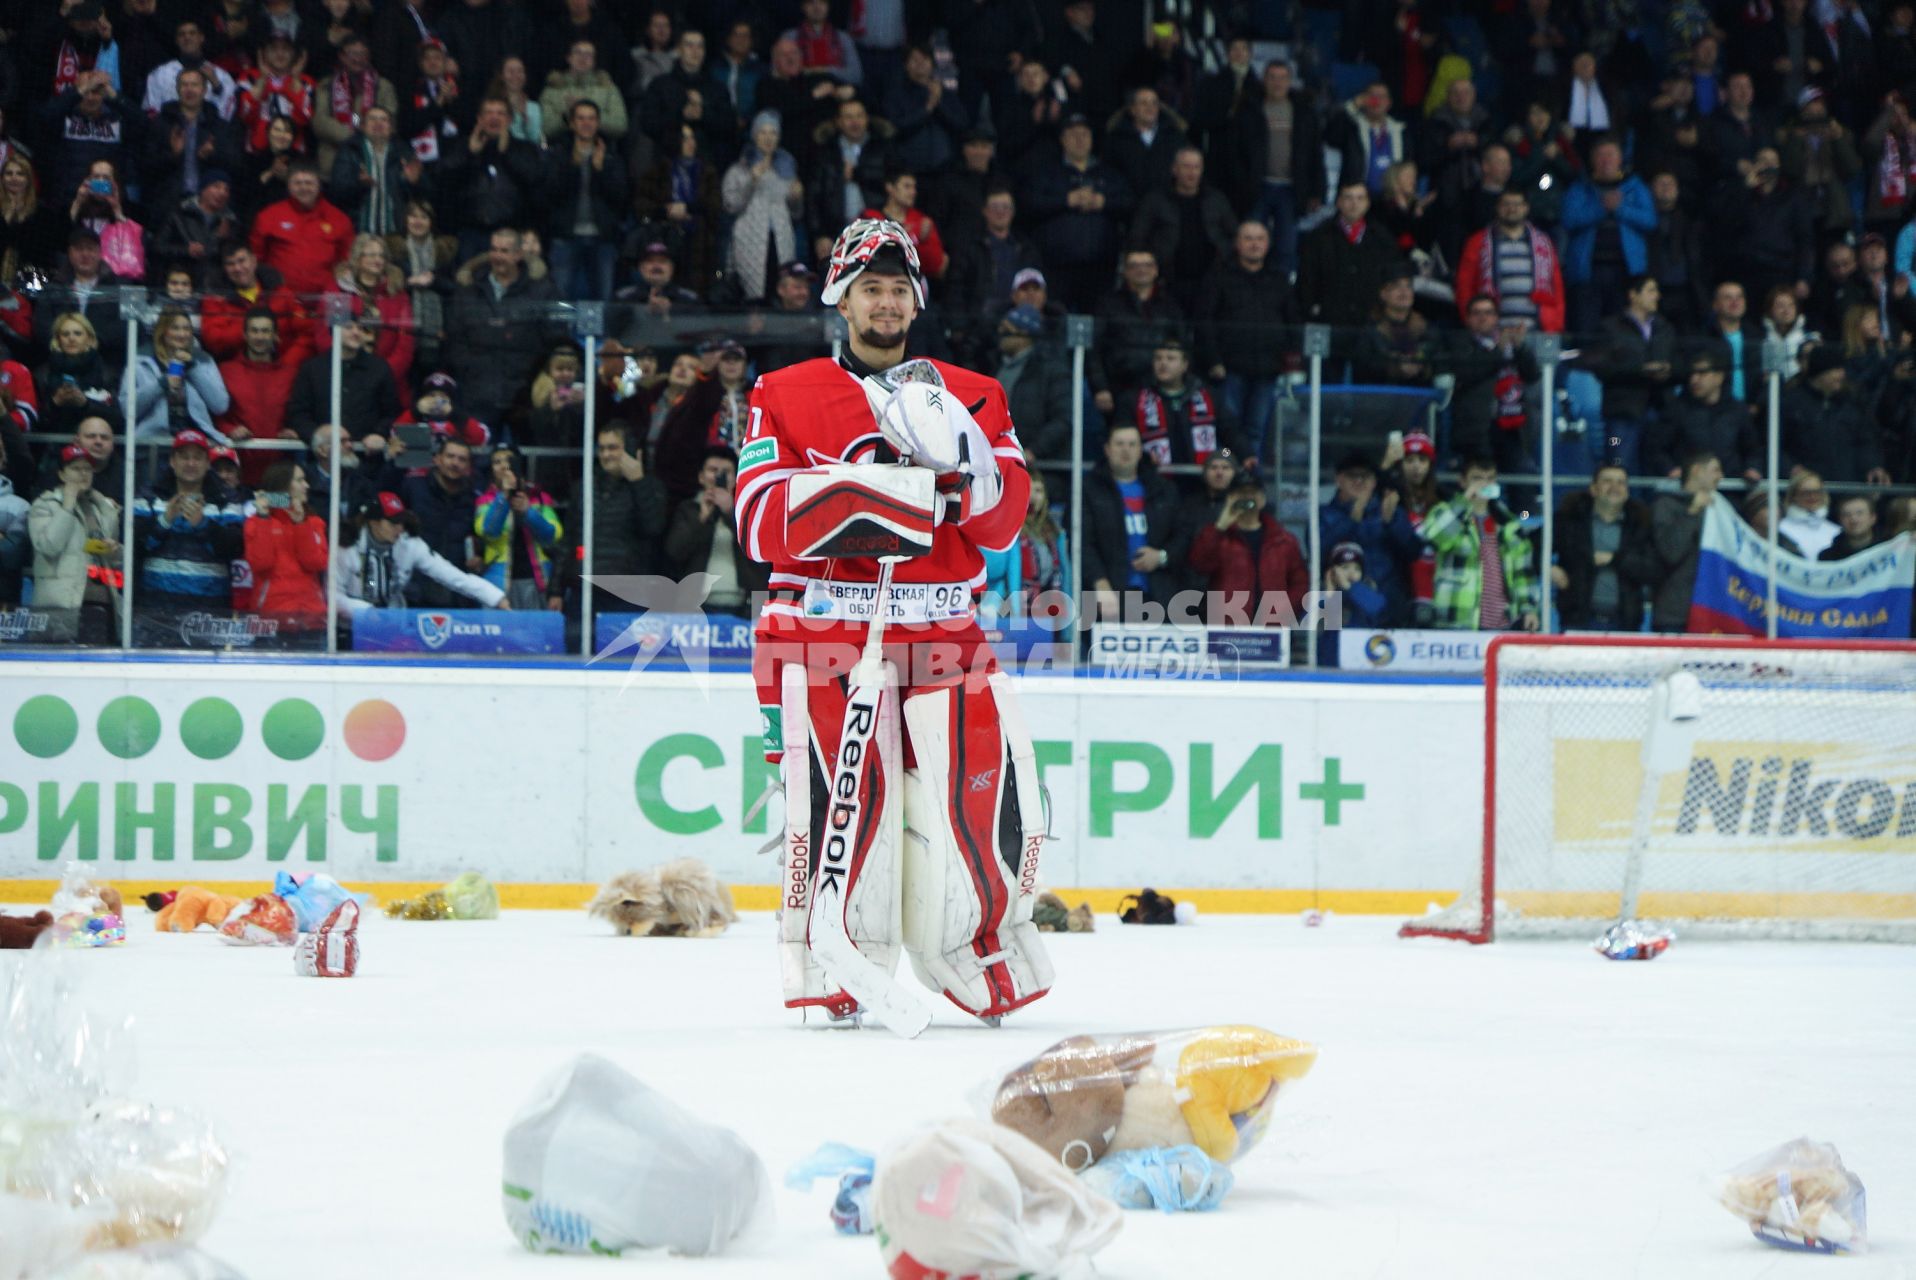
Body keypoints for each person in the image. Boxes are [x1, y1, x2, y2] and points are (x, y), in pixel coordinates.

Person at [735, 215, 1052, 1023]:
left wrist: (964, 468)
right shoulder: (783, 392)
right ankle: (835, 972)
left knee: (975, 803)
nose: (886, 303)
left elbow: (1004, 523)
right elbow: (756, 518)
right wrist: (872, 494)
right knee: (840, 808)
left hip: (944, 628)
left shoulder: (976, 393)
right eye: (870, 289)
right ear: (841, 300)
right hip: (821, 631)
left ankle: (978, 959)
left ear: (917, 300)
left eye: (898, 289)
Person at [131, 429, 246, 636]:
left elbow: (235, 549)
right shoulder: (148, 494)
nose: (191, 463)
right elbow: (134, 545)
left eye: (197, 458)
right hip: (154, 607)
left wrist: (203, 525)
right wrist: (165, 521)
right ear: (172, 461)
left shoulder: (227, 499)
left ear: (207, 463)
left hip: (211, 609)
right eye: (184, 457)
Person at [1195, 221, 1291, 467]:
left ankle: (1250, 478)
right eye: (1248, 238)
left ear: (1268, 244)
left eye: (1259, 238)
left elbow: (1293, 321)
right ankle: (1227, 470)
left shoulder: (1279, 280)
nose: (1254, 244)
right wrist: (1214, 360)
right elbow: (1204, 320)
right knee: (1228, 430)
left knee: (1255, 432)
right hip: (1229, 369)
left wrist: (1285, 358)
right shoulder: (1219, 277)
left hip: (1267, 369)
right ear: (1237, 244)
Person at [446, 227, 560, 432]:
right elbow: (455, 337)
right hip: (478, 391)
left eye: (504, 251)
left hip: (524, 394)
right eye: (494, 249)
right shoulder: (469, 289)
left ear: (518, 254)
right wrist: (470, 370)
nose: (497, 256)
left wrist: (532, 375)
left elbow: (553, 336)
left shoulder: (542, 290)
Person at [1418, 457, 1541, 631]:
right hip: (1456, 622)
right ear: (1463, 482)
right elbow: (1434, 538)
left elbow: (1523, 573)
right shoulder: (1445, 511)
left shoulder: (1508, 523)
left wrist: (1528, 610)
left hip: (1501, 626)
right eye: (1477, 478)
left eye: (1490, 478)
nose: (1484, 484)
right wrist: (1464, 501)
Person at [337, 490, 506, 613]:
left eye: (402, 522)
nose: (400, 528)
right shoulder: (346, 546)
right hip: (350, 628)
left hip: (391, 625)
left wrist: (495, 597)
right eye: (393, 523)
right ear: (373, 523)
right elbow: (334, 596)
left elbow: (453, 577)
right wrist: (365, 612)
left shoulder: (410, 545)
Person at [1081, 421, 1184, 615]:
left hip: (1159, 597)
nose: (1125, 450)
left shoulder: (1164, 489)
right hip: (1109, 596)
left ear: (1140, 450)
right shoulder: (1088, 489)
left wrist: (1162, 556)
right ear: (1107, 449)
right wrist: (1100, 583)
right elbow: (1083, 543)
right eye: (1119, 444)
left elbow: (1182, 536)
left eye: (1132, 444)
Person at [28, 443, 123, 645]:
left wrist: (115, 551)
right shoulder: (44, 505)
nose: (83, 474)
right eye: (75, 468)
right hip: (60, 606)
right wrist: (68, 505)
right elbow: (48, 546)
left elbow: (114, 561)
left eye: (87, 469)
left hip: (102, 604)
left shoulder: (102, 508)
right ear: (62, 474)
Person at [1551, 461, 1660, 631]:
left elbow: (1652, 569)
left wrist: (1614, 559)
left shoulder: (1640, 524)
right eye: (1607, 481)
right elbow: (1534, 545)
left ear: (1627, 491)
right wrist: (1548, 568)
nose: (1615, 487)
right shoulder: (1570, 519)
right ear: (1593, 489)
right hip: (1577, 621)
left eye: (1621, 482)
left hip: (1625, 624)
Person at [1189, 472, 1307, 626]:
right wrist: (1220, 526)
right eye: (1242, 493)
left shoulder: (1284, 540)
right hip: (1228, 628)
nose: (1248, 497)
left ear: (1263, 499)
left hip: (1272, 629)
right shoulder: (1218, 536)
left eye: (1253, 493)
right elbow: (1199, 564)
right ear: (1231, 498)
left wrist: (1282, 612)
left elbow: (1300, 582)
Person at [1126, 146, 1235, 313]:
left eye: (1196, 167)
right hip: (1168, 280)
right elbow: (1138, 237)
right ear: (1174, 169)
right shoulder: (1155, 200)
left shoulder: (1216, 200)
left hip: (1210, 280)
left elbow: (1234, 235)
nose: (1191, 172)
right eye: (1186, 166)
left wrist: (1224, 256)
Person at [664, 446, 766, 620]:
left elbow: (761, 551)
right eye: (713, 470)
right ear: (701, 476)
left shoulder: (750, 513)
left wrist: (729, 512)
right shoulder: (687, 510)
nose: (719, 476)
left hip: (745, 607)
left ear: (735, 478)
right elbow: (674, 551)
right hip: (694, 608)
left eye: (726, 471)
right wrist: (702, 517)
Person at [1320, 450, 1420, 623]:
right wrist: (1351, 520)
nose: (1358, 481)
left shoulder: (1389, 512)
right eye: (1352, 476)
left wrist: (1392, 523)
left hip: (1388, 609)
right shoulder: (1324, 515)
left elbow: (1413, 552)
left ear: (1374, 481)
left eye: (1365, 476)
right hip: (1343, 612)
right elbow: (1320, 551)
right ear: (1338, 479)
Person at [1591, 274, 1678, 476]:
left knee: (1654, 471)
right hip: (1621, 413)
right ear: (1633, 295)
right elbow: (1602, 368)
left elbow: (1679, 363)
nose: (1657, 296)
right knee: (1618, 464)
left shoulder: (1665, 328)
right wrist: (1641, 370)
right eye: (1651, 290)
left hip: (1659, 410)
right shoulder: (1609, 328)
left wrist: (1668, 370)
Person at [1447, 294, 1543, 473]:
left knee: (1523, 481)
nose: (1483, 317)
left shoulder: (1509, 345)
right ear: (1467, 318)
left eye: (1488, 312)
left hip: (1513, 429)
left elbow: (1532, 375)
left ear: (1496, 318)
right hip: (1477, 431)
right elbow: (1467, 373)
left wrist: (1520, 347)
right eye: (1477, 313)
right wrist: (1499, 352)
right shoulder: (1458, 343)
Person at [1454, 188, 1566, 333]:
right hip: (1491, 331)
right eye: (1506, 204)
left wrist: (1555, 323)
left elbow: (1556, 287)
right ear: (1497, 208)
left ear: (1526, 208)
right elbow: (1464, 285)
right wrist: (1472, 321)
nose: (1512, 209)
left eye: (1517, 204)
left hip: (1537, 329)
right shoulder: (1478, 242)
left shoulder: (1544, 243)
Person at [721, 111, 803, 303]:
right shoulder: (739, 169)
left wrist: (796, 198)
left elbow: (796, 213)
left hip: (780, 240)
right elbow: (730, 205)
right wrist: (752, 179)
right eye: (763, 132)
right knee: (754, 297)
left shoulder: (787, 169)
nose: (768, 138)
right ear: (754, 135)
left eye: (773, 133)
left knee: (780, 290)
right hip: (750, 241)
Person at [1129, 337, 1239, 479]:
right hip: (1155, 481)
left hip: (1202, 482)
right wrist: (1144, 458)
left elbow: (1229, 442)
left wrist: (1224, 457)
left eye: (1170, 358)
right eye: (1158, 358)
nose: (1163, 363)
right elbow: (1127, 442)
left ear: (1184, 365)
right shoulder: (1135, 399)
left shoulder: (1209, 396)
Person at [1296, 179, 1400, 328]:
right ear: (1338, 202)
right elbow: (1307, 279)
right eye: (1348, 197)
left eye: (1360, 198)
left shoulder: (1382, 238)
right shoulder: (1319, 237)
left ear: (1368, 203)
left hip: (1370, 322)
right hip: (1328, 319)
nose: (1354, 203)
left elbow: (1389, 277)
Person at [250, 160, 357, 300]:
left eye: (309, 183)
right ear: (288, 185)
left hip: (324, 301)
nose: (303, 188)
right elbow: (255, 258)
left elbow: (346, 263)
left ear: (319, 185)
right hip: (279, 300)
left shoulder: (339, 219)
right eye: (298, 183)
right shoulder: (269, 216)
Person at [1783, 347, 1889, 486]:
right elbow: (1775, 445)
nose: (1842, 374)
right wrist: (1791, 467)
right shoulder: (1791, 404)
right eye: (1836, 369)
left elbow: (1866, 441)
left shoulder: (1852, 403)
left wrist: (1872, 465)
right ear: (1820, 372)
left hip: (1848, 487)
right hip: (1806, 489)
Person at [1649, 349, 1761, 480]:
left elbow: (1753, 449)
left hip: (1730, 489)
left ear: (1719, 376)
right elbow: (1656, 448)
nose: (1694, 380)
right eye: (1692, 374)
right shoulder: (1676, 410)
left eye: (1702, 373)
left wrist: (1752, 468)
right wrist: (1669, 469)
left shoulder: (1737, 411)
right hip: (1689, 489)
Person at [475, 446, 562, 610]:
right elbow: (488, 532)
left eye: (508, 461)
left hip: (538, 581)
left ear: (518, 466)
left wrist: (528, 511)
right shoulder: (485, 501)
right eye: (496, 462)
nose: (502, 466)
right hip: (498, 583)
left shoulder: (539, 497)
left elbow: (553, 535)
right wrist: (503, 497)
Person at [287, 317, 401, 440]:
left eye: (361, 328)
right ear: (334, 331)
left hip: (366, 453)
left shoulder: (379, 368)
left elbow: (391, 412)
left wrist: (379, 434)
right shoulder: (312, 369)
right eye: (348, 327)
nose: (356, 332)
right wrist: (317, 435)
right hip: (323, 453)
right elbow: (298, 413)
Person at [132, 309, 232, 445]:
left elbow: (220, 405)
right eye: (175, 328)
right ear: (163, 331)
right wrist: (161, 384)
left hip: (196, 442)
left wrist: (193, 369)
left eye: (186, 329)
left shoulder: (203, 360)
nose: (182, 334)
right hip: (153, 441)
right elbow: (129, 408)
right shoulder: (141, 360)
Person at [982, 471, 1070, 622]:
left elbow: (1065, 572)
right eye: (1028, 489)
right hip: (1010, 603)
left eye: (1038, 490)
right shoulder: (1009, 528)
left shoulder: (1054, 532)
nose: (1034, 497)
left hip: (1046, 603)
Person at [988, 306, 1073, 461]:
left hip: (1040, 465)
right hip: (998, 456)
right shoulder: (994, 365)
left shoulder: (1051, 370)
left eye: (1007, 329)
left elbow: (1063, 420)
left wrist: (1034, 451)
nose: (1000, 334)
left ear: (1024, 334)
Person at [1649, 450, 1721, 631]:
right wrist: (1692, 512)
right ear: (1696, 470)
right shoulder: (1665, 506)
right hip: (1674, 614)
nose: (1721, 476)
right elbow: (1670, 552)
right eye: (1716, 470)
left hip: (1711, 612)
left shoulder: (1719, 510)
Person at [1320, 541, 1389, 629]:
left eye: (1357, 569)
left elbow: (1376, 608)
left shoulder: (1370, 591)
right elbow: (1312, 625)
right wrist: (1329, 592)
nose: (1351, 573)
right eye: (1345, 567)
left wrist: (1349, 587)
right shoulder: (1319, 593)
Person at [1779, 469, 1841, 557]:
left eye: (1817, 492)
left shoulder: (1835, 531)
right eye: (1806, 493)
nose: (1812, 496)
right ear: (1794, 496)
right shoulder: (1781, 529)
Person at [1820, 494, 1883, 560]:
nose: (1853, 520)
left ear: (1873, 518)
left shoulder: (1888, 552)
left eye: (1859, 513)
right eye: (1847, 515)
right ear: (1840, 520)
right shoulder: (1827, 557)